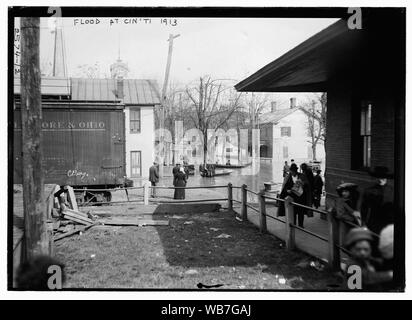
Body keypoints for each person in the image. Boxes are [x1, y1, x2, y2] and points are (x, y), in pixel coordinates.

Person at [360, 166, 394, 234]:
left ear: (386, 178)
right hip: (374, 222)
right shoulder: (369, 191)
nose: (380, 180)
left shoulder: (393, 191)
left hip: (389, 223)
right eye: (378, 177)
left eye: (383, 178)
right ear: (376, 178)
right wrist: (363, 223)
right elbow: (364, 208)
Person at [278, 163, 311, 227]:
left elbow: (307, 185)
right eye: (292, 171)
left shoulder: (302, 176)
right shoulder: (287, 177)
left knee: (301, 212)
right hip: (292, 198)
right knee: (293, 212)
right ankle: (294, 224)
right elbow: (284, 187)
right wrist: (287, 190)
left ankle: (301, 225)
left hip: (301, 197)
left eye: (294, 171)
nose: (293, 172)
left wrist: (303, 184)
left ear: (296, 170)